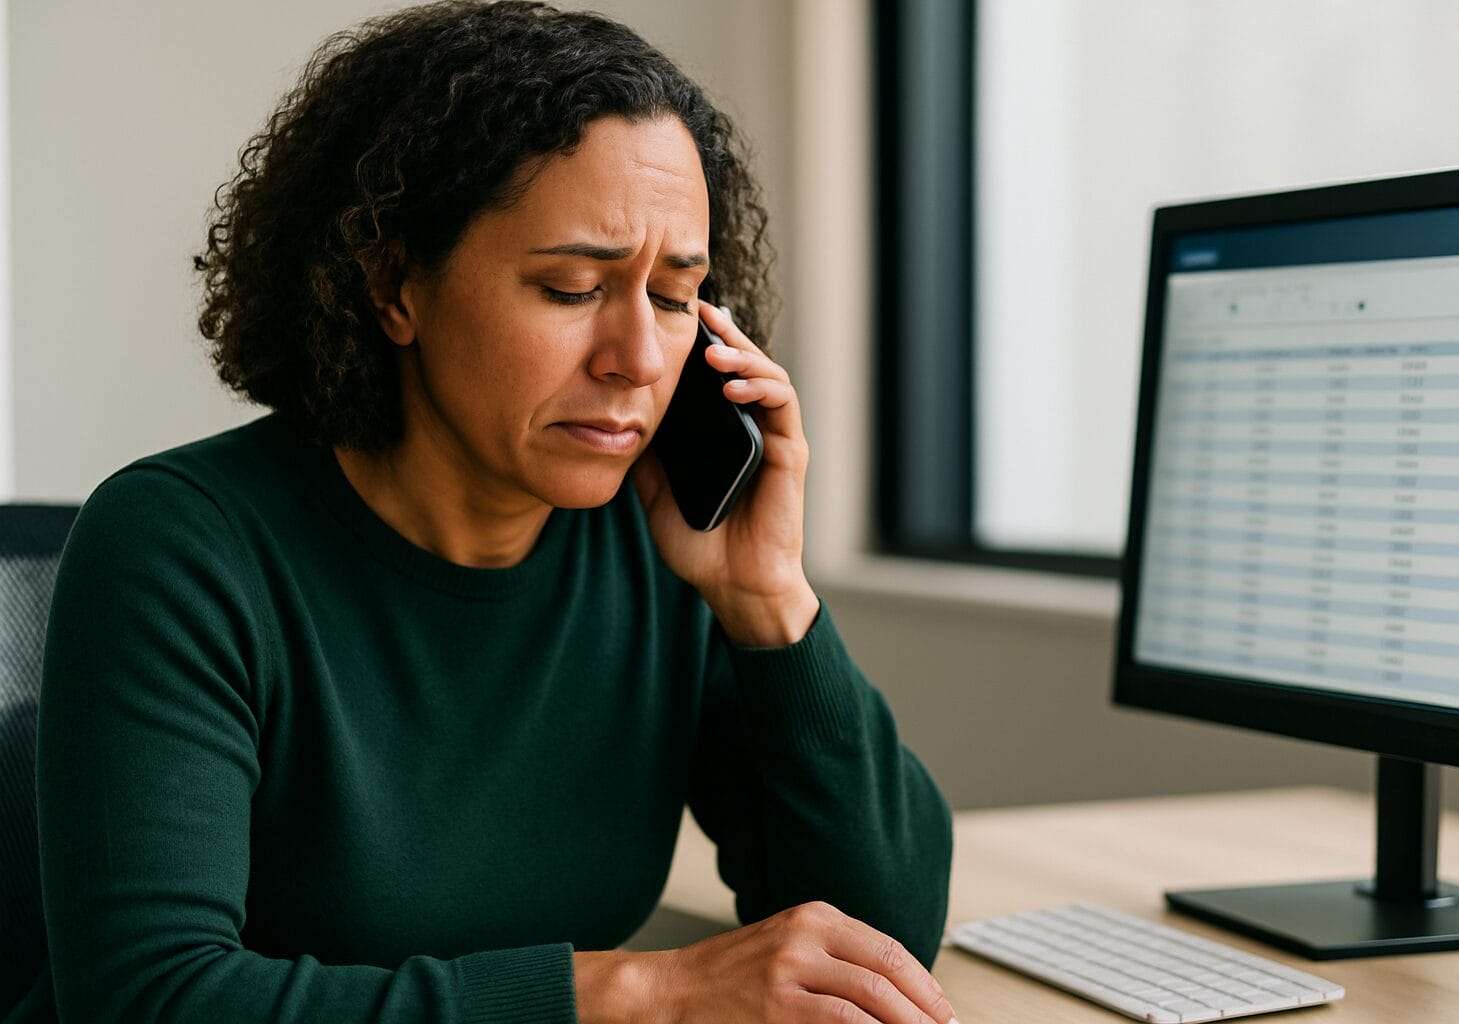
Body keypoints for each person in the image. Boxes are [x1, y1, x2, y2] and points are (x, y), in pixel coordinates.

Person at [27, 2, 955, 1022]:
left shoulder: (662, 552)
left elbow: (881, 953)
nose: (638, 360)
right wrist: (638, 989)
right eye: (569, 287)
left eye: (674, 295)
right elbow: (148, 1001)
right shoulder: (183, 547)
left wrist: (771, 602)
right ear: (394, 286)